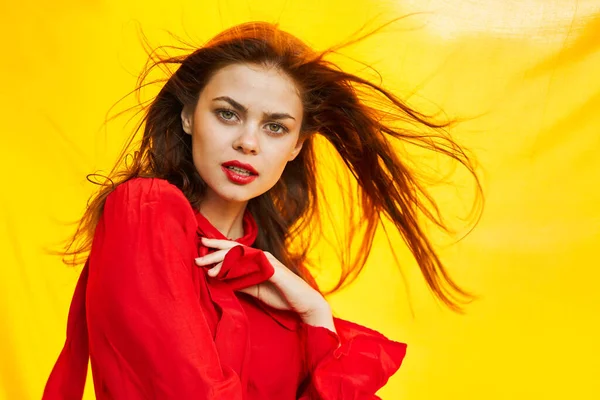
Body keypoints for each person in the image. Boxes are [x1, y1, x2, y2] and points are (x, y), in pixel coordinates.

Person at [43, 21, 479, 400]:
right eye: (228, 115)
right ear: (188, 117)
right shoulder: (145, 210)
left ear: (296, 146)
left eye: (275, 127)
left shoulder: (281, 277)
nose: (248, 142)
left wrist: (314, 312)